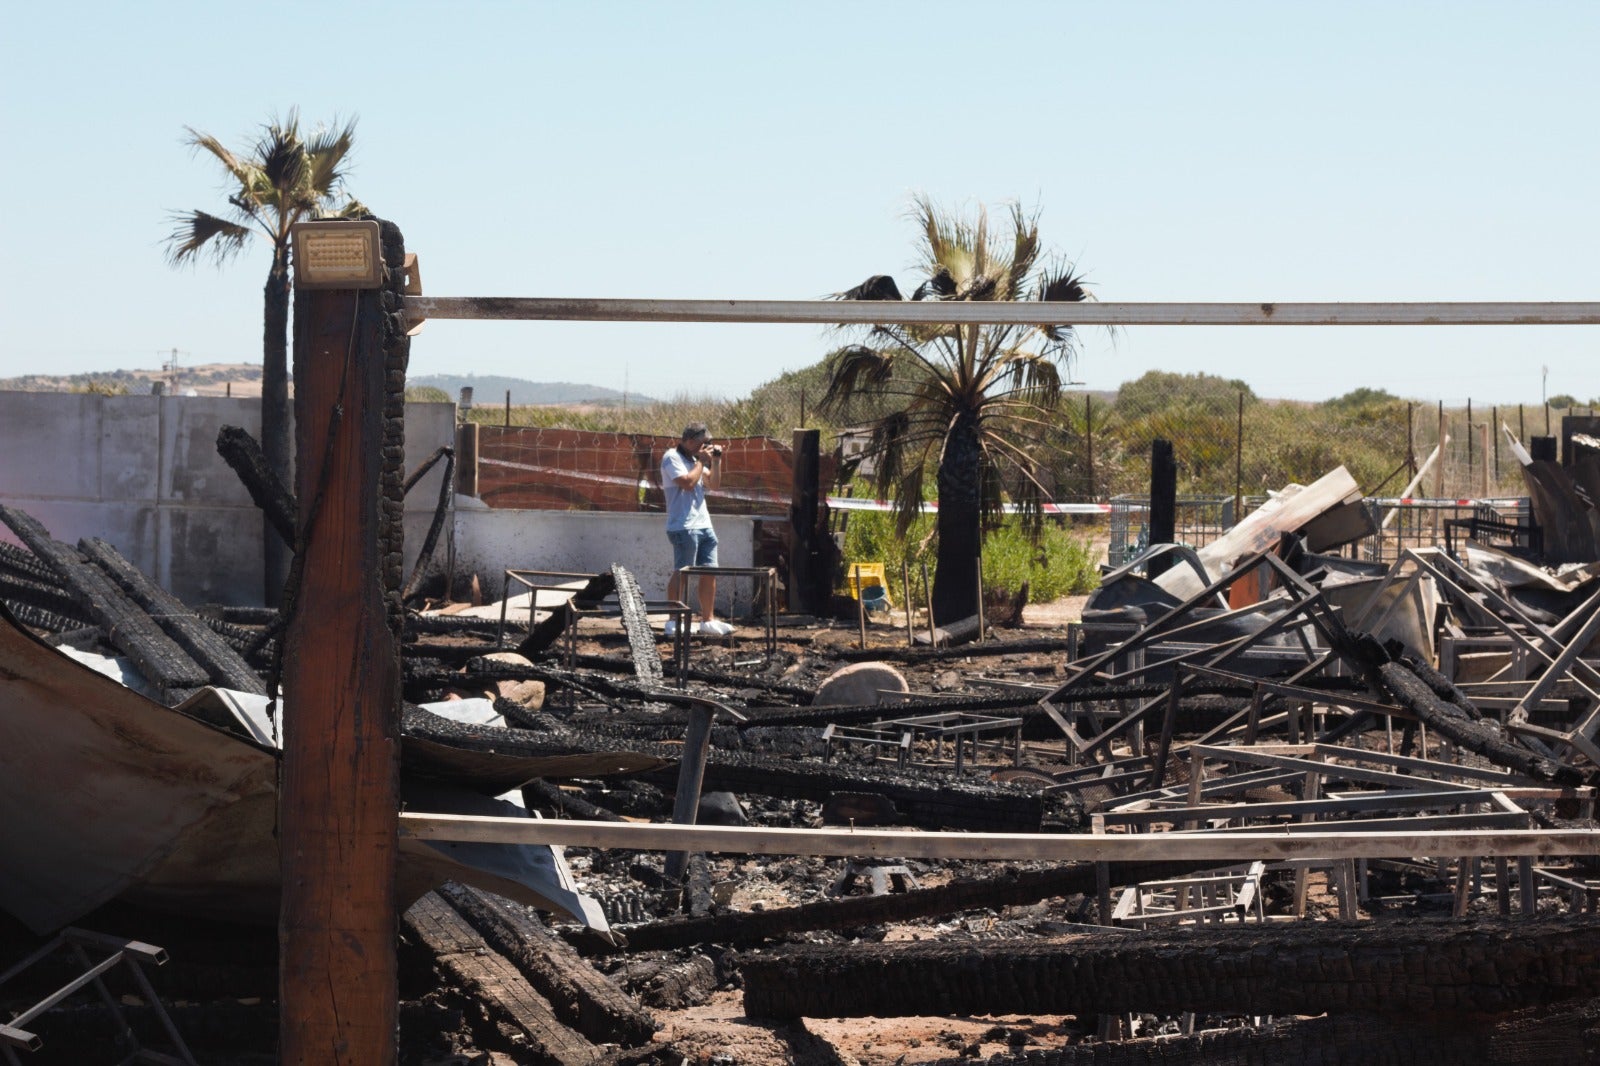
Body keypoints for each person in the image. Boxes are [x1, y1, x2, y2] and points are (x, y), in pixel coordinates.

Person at [660, 422, 733, 636]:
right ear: (690, 441)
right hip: (683, 526)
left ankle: (708, 620)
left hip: (704, 524)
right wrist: (701, 461)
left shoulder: (695, 460)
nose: (706, 448)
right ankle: (673, 620)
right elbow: (687, 483)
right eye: (703, 444)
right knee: (682, 572)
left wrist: (716, 462)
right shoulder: (671, 457)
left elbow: (715, 485)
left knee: (709, 571)